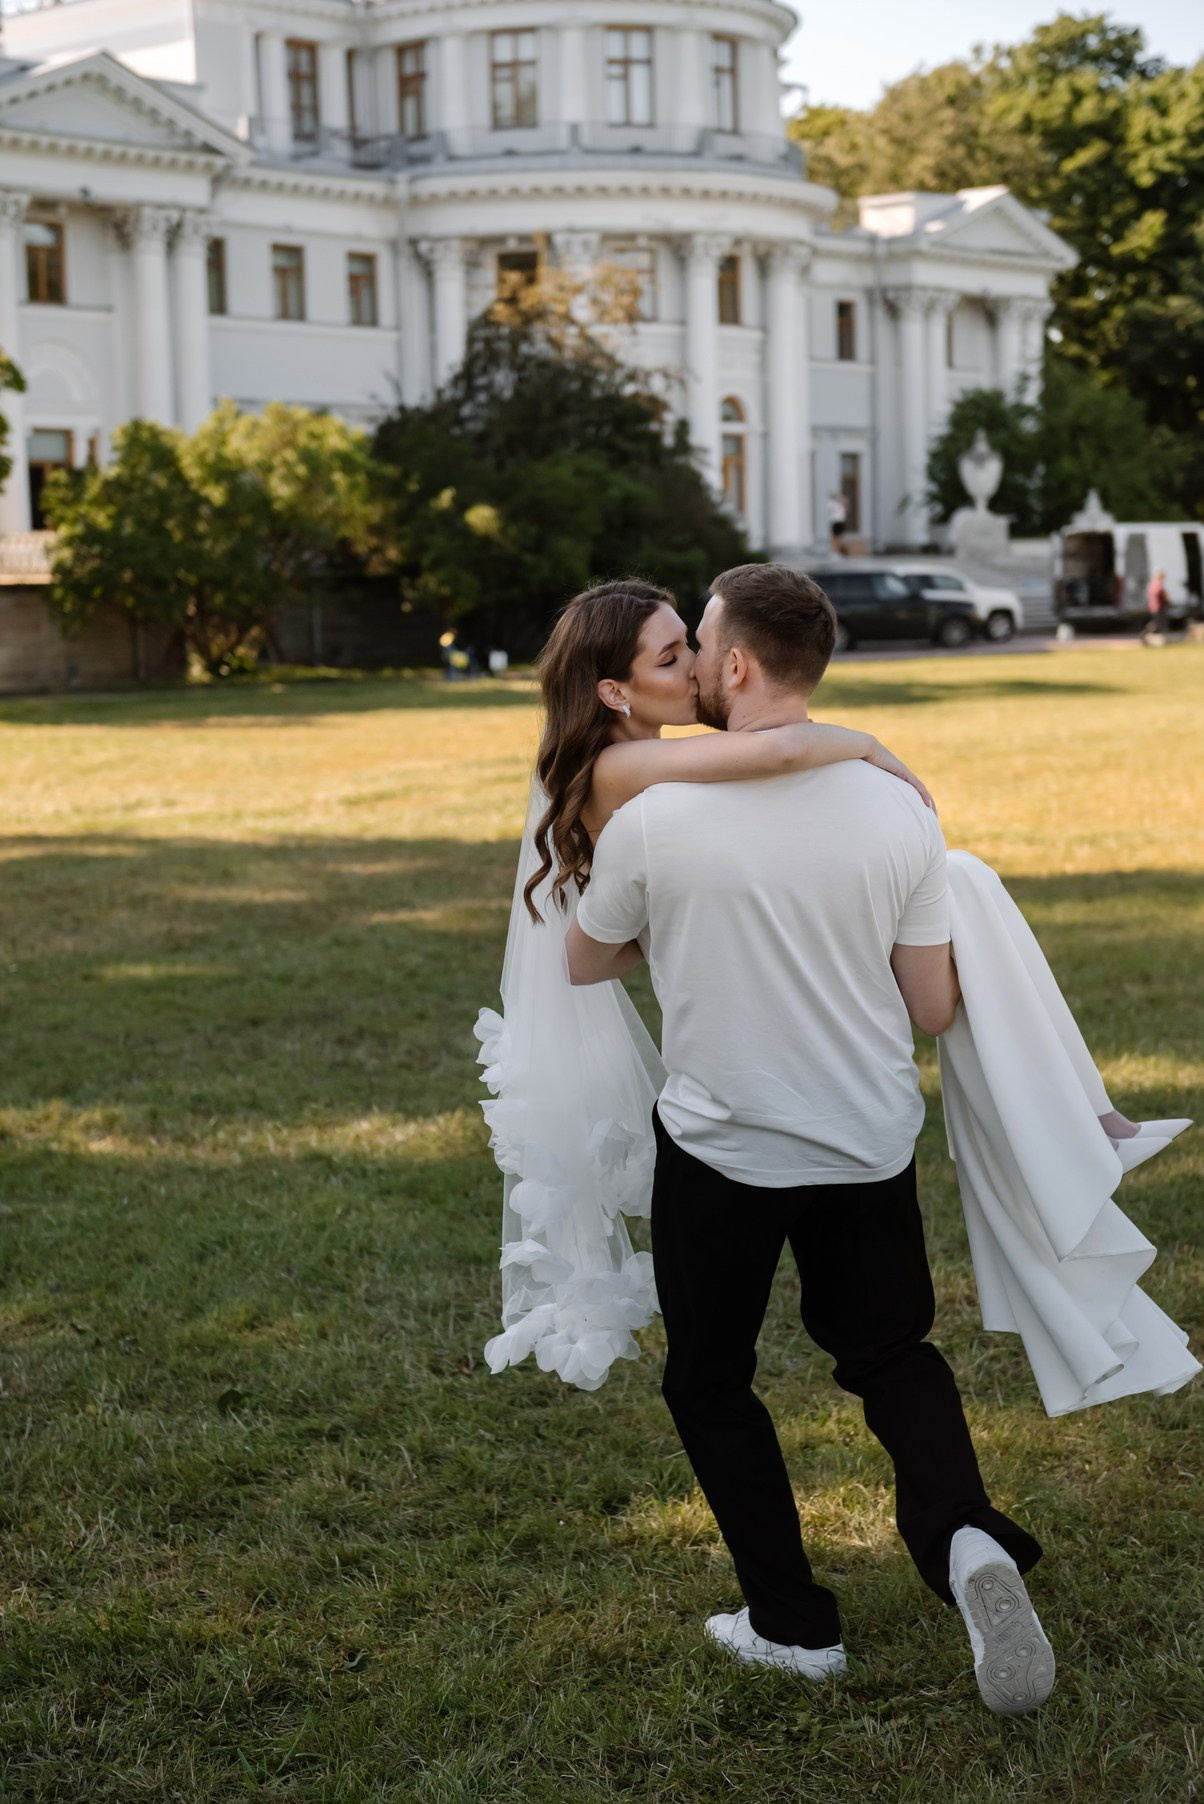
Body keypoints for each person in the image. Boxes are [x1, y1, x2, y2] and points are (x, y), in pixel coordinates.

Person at [564, 564, 1054, 1713]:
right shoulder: (897, 812)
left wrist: (686, 936)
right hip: (867, 1139)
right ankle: (963, 1539)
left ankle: (793, 1623)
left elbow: (586, 958)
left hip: (725, 1149)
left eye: (700, 643)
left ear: (732, 665)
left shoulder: (654, 817)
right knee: (889, 1354)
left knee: (711, 1378)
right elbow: (932, 1009)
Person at [1142, 570, 1168, 642]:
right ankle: (1147, 634)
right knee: (1158, 623)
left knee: (1156, 622)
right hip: (1158, 606)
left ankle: (1146, 634)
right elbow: (1159, 593)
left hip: (1152, 606)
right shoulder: (1158, 584)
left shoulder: (1151, 583)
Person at [827, 490, 847, 554]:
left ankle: (839, 551)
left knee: (840, 537)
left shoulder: (841, 503)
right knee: (834, 537)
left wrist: (841, 500)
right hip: (835, 521)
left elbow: (846, 503)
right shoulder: (832, 503)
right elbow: (830, 508)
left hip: (841, 521)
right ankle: (834, 551)